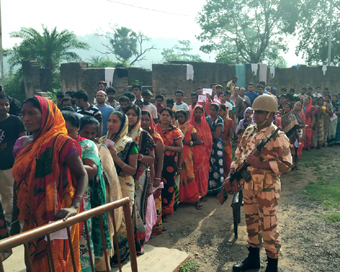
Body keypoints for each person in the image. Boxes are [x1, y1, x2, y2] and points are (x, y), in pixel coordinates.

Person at [11, 96, 88, 272]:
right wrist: (15, 218)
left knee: (56, 262)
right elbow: (20, 182)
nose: (26, 118)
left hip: (57, 214)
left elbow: (82, 174)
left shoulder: (63, 142)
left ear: (46, 114)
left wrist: (74, 207)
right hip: (31, 214)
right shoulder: (24, 144)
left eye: (32, 113)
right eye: (23, 114)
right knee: (33, 261)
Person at [225, 95, 292, 272]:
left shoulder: (278, 136)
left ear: (270, 114)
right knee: (251, 223)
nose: (255, 115)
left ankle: (272, 265)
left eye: (260, 112)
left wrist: (260, 164)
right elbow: (239, 152)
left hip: (267, 189)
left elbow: (287, 164)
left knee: (269, 227)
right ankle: (253, 259)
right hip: (248, 186)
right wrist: (233, 171)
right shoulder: (249, 131)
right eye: (254, 111)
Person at [63, 111, 111, 272]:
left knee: (80, 241)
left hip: (81, 199)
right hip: (58, 201)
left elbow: (91, 171)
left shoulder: (87, 145)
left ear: (77, 129)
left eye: (69, 130)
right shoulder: (52, 144)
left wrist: (64, 166)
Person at [99, 111, 138, 265]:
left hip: (124, 184)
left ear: (122, 124)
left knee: (123, 219)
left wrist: (115, 157)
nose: (110, 124)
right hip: (107, 185)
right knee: (109, 218)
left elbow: (132, 170)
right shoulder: (102, 141)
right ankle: (107, 255)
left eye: (115, 121)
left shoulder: (129, 144)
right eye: (109, 121)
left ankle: (121, 256)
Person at [125, 105, 155, 255]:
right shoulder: (118, 134)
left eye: (133, 115)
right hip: (122, 177)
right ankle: (124, 245)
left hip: (139, 177)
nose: (130, 117)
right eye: (127, 114)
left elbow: (152, 158)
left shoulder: (144, 136)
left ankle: (138, 245)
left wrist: (139, 157)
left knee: (136, 208)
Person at [0, 94, 26, 224]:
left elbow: (23, 141)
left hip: (10, 164)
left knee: (9, 195)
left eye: (6, 104)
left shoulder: (16, 121)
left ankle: (8, 223)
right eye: (1, 104)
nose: (4, 107)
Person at [155, 108, 183, 219]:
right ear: (159, 115)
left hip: (169, 162)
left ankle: (167, 210)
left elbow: (180, 148)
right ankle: (157, 210)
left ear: (171, 118)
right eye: (163, 114)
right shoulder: (155, 128)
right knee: (156, 184)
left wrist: (167, 148)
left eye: (167, 115)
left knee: (168, 186)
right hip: (155, 160)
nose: (165, 117)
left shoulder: (175, 131)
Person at [140, 111, 164, 236]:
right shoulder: (135, 136)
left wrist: (158, 177)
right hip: (140, 173)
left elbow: (160, 159)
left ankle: (155, 226)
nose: (144, 122)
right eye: (141, 119)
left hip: (153, 173)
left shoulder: (156, 138)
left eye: (146, 120)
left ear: (151, 121)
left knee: (154, 199)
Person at [176, 110, 202, 209]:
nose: (179, 119)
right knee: (181, 177)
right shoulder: (175, 128)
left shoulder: (191, 128)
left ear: (186, 118)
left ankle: (196, 198)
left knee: (190, 176)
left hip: (188, 156)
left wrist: (187, 143)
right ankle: (183, 198)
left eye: (181, 116)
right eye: (178, 117)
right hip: (179, 155)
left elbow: (197, 141)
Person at [188, 105, 212, 201]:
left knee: (203, 173)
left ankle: (203, 193)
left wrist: (204, 144)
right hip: (193, 152)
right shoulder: (190, 125)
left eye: (200, 112)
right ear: (193, 113)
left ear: (202, 113)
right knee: (194, 172)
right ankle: (194, 194)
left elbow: (209, 138)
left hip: (204, 153)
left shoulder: (205, 124)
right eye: (196, 112)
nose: (198, 114)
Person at [206, 103, 224, 195]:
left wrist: (207, 133)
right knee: (209, 166)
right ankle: (209, 188)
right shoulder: (206, 119)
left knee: (217, 165)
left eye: (214, 110)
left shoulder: (219, 120)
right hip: (208, 145)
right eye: (210, 109)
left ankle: (218, 188)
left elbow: (217, 135)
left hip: (217, 146)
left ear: (217, 111)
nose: (212, 111)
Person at [281, 103, 300, 169]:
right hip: (284, 135)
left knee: (293, 150)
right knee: (286, 150)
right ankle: (288, 165)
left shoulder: (292, 116)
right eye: (285, 107)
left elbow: (296, 126)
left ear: (290, 108)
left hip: (292, 135)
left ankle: (295, 164)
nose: (286, 109)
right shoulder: (281, 116)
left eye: (287, 107)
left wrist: (297, 136)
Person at [219, 105, 234, 177]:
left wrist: (226, 142)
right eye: (218, 110)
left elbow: (230, 134)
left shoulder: (229, 121)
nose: (219, 112)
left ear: (225, 111)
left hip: (226, 144)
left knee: (227, 163)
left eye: (220, 110)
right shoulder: (217, 120)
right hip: (218, 143)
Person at [292, 101, 306, 166]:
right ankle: (292, 163)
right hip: (292, 133)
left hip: (299, 132)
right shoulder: (291, 114)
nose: (297, 106)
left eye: (299, 105)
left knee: (298, 148)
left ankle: (296, 163)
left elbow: (303, 124)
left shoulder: (302, 115)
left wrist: (303, 134)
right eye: (296, 105)